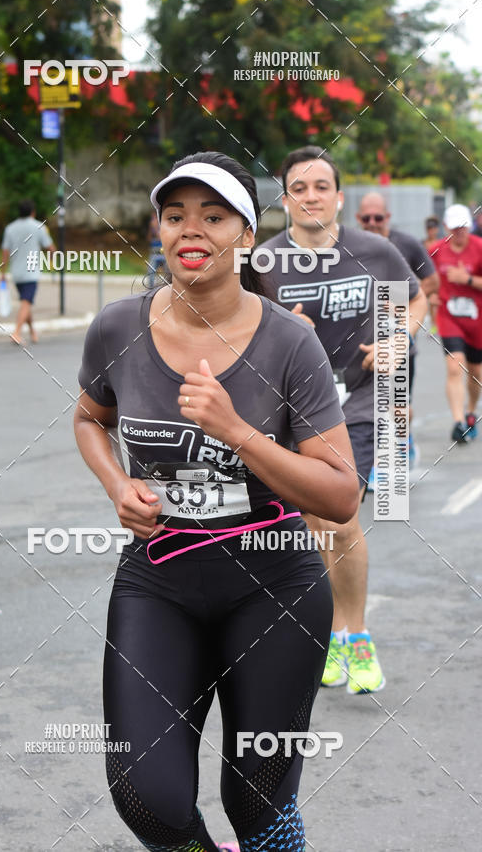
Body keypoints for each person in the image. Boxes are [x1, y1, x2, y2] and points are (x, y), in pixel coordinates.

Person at [74, 151, 360, 851]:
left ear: (247, 234)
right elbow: (88, 418)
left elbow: (341, 492)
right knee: (149, 795)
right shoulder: (118, 327)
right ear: (159, 231)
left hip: (275, 584)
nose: (189, 230)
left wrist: (235, 429)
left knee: (256, 798)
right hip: (157, 579)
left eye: (213, 215)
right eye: (174, 216)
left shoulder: (289, 342)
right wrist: (119, 485)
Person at [259, 146, 427, 695]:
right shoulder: (262, 264)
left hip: (355, 402)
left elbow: (416, 299)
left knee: (338, 513)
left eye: (321, 187)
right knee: (313, 522)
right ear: (285, 198)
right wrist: (283, 329)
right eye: (299, 188)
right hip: (290, 407)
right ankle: (334, 632)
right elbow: (235, 328)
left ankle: (355, 634)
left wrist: (398, 336)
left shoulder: (375, 252)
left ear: (339, 197)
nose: (311, 197)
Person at [355, 192, 440, 468]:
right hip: (362, 343)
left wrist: (401, 302)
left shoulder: (407, 244)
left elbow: (432, 282)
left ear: (388, 217)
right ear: (358, 219)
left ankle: (404, 439)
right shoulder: (350, 247)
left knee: (400, 404)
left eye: (378, 217)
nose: (372, 222)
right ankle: (375, 460)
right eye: (366, 218)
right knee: (366, 406)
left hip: (400, 339)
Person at [433, 204, 482, 443]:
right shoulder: (436, 251)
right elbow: (429, 283)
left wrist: (468, 279)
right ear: (446, 228)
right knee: (455, 366)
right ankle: (458, 422)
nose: (460, 232)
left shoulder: (479, 248)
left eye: (463, 227)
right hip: (449, 317)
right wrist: (431, 297)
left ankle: (471, 410)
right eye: (455, 228)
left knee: (476, 373)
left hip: (477, 319)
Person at [1, 199, 55, 344]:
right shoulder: (39, 227)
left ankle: (32, 332)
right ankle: (17, 333)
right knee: (26, 302)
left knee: (26, 302)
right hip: (31, 272)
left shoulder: (10, 228)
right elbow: (51, 248)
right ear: (33, 212)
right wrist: (51, 263)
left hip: (16, 273)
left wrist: (2, 273)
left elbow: (5, 252)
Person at [144, 209, 168, 288]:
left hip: (164, 254)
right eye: (152, 218)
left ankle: (167, 287)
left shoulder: (164, 228)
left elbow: (161, 238)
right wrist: (152, 229)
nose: (154, 220)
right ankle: (150, 288)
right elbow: (148, 239)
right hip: (154, 253)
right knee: (150, 271)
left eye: (155, 218)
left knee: (168, 273)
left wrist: (157, 229)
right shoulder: (152, 229)